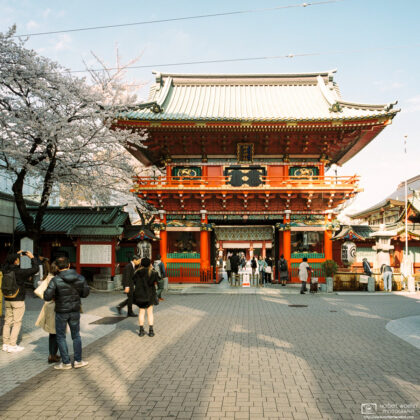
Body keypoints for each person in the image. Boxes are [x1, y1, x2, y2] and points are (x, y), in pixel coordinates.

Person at [44, 256, 90, 370]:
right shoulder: (79, 277)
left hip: (61, 311)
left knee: (60, 337)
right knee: (76, 336)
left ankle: (66, 362)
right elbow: (85, 293)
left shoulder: (55, 279)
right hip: (75, 310)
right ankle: (78, 360)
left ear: (58, 267)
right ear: (69, 265)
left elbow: (47, 296)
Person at [2, 250, 38, 353]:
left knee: (7, 321)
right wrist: (31, 258)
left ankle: (5, 344)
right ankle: (13, 345)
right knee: (17, 322)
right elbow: (35, 269)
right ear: (15, 261)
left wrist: (16, 254)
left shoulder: (5, 270)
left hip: (8, 298)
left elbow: (6, 262)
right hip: (18, 299)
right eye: (17, 259)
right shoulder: (20, 272)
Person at [35, 262, 61, 363]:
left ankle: (52, 354)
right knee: (58, 332)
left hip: (48, 306)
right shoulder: (56, 279)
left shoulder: (49, 277)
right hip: (55, 306)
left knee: (52, 332)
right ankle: (53, 355)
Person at [133, 258, 159, 337]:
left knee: (141, 312)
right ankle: (151, 331)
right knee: (150, 313)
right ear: (150, 264)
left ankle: (141, 331)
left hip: (140, 295)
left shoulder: (137, 272)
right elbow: (158, 280)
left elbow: (134, 282)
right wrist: (153, 268)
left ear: (141, 264)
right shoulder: (153, 273)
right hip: (150, 295)